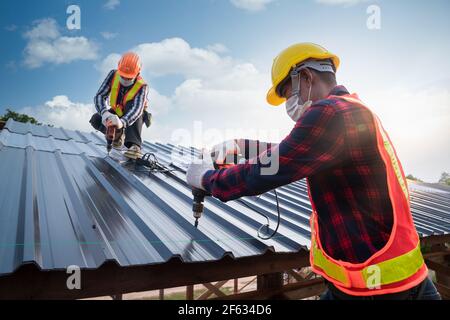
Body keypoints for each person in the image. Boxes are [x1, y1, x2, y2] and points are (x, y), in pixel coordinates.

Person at [185, 43, 441, 300]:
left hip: (377, 292)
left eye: (287, 95)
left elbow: (266, 170)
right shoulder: (350, 109)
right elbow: (297, 150)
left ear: (305, 77)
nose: (288, 105)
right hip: (389, 283)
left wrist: (206, 179)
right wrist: (241, 145)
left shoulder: (329, 112)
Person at [90, 52, 151, 159]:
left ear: (137, 73)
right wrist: (104, 113)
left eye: (129, 78)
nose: (125, 80)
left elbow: (137, 109)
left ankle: (134, 146)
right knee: (96, 119)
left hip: (134, 116)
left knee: (131, 106)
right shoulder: (113, 75)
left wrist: (122, 122)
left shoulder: (142, 86)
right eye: (123, 76)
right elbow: (99, 95)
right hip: (117, 111)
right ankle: (117, 137)